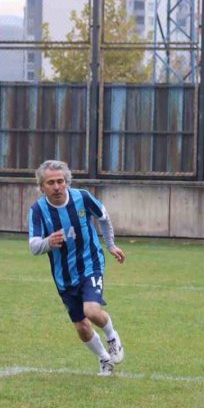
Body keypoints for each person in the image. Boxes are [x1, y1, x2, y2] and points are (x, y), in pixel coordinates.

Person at [28, 160, 127, 376]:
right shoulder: (38, 210)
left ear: (67, 182)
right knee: (82, 327)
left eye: (60, 181)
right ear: (42, 186)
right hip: (64, 276)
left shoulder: (82, 197)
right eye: (51, 183)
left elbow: (103, 217)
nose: (57, 187)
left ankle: (112, 337)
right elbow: (33, 246)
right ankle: (104, 359)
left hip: (91, 262)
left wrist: (110, 245)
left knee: (91, 310)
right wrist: (48, 242)